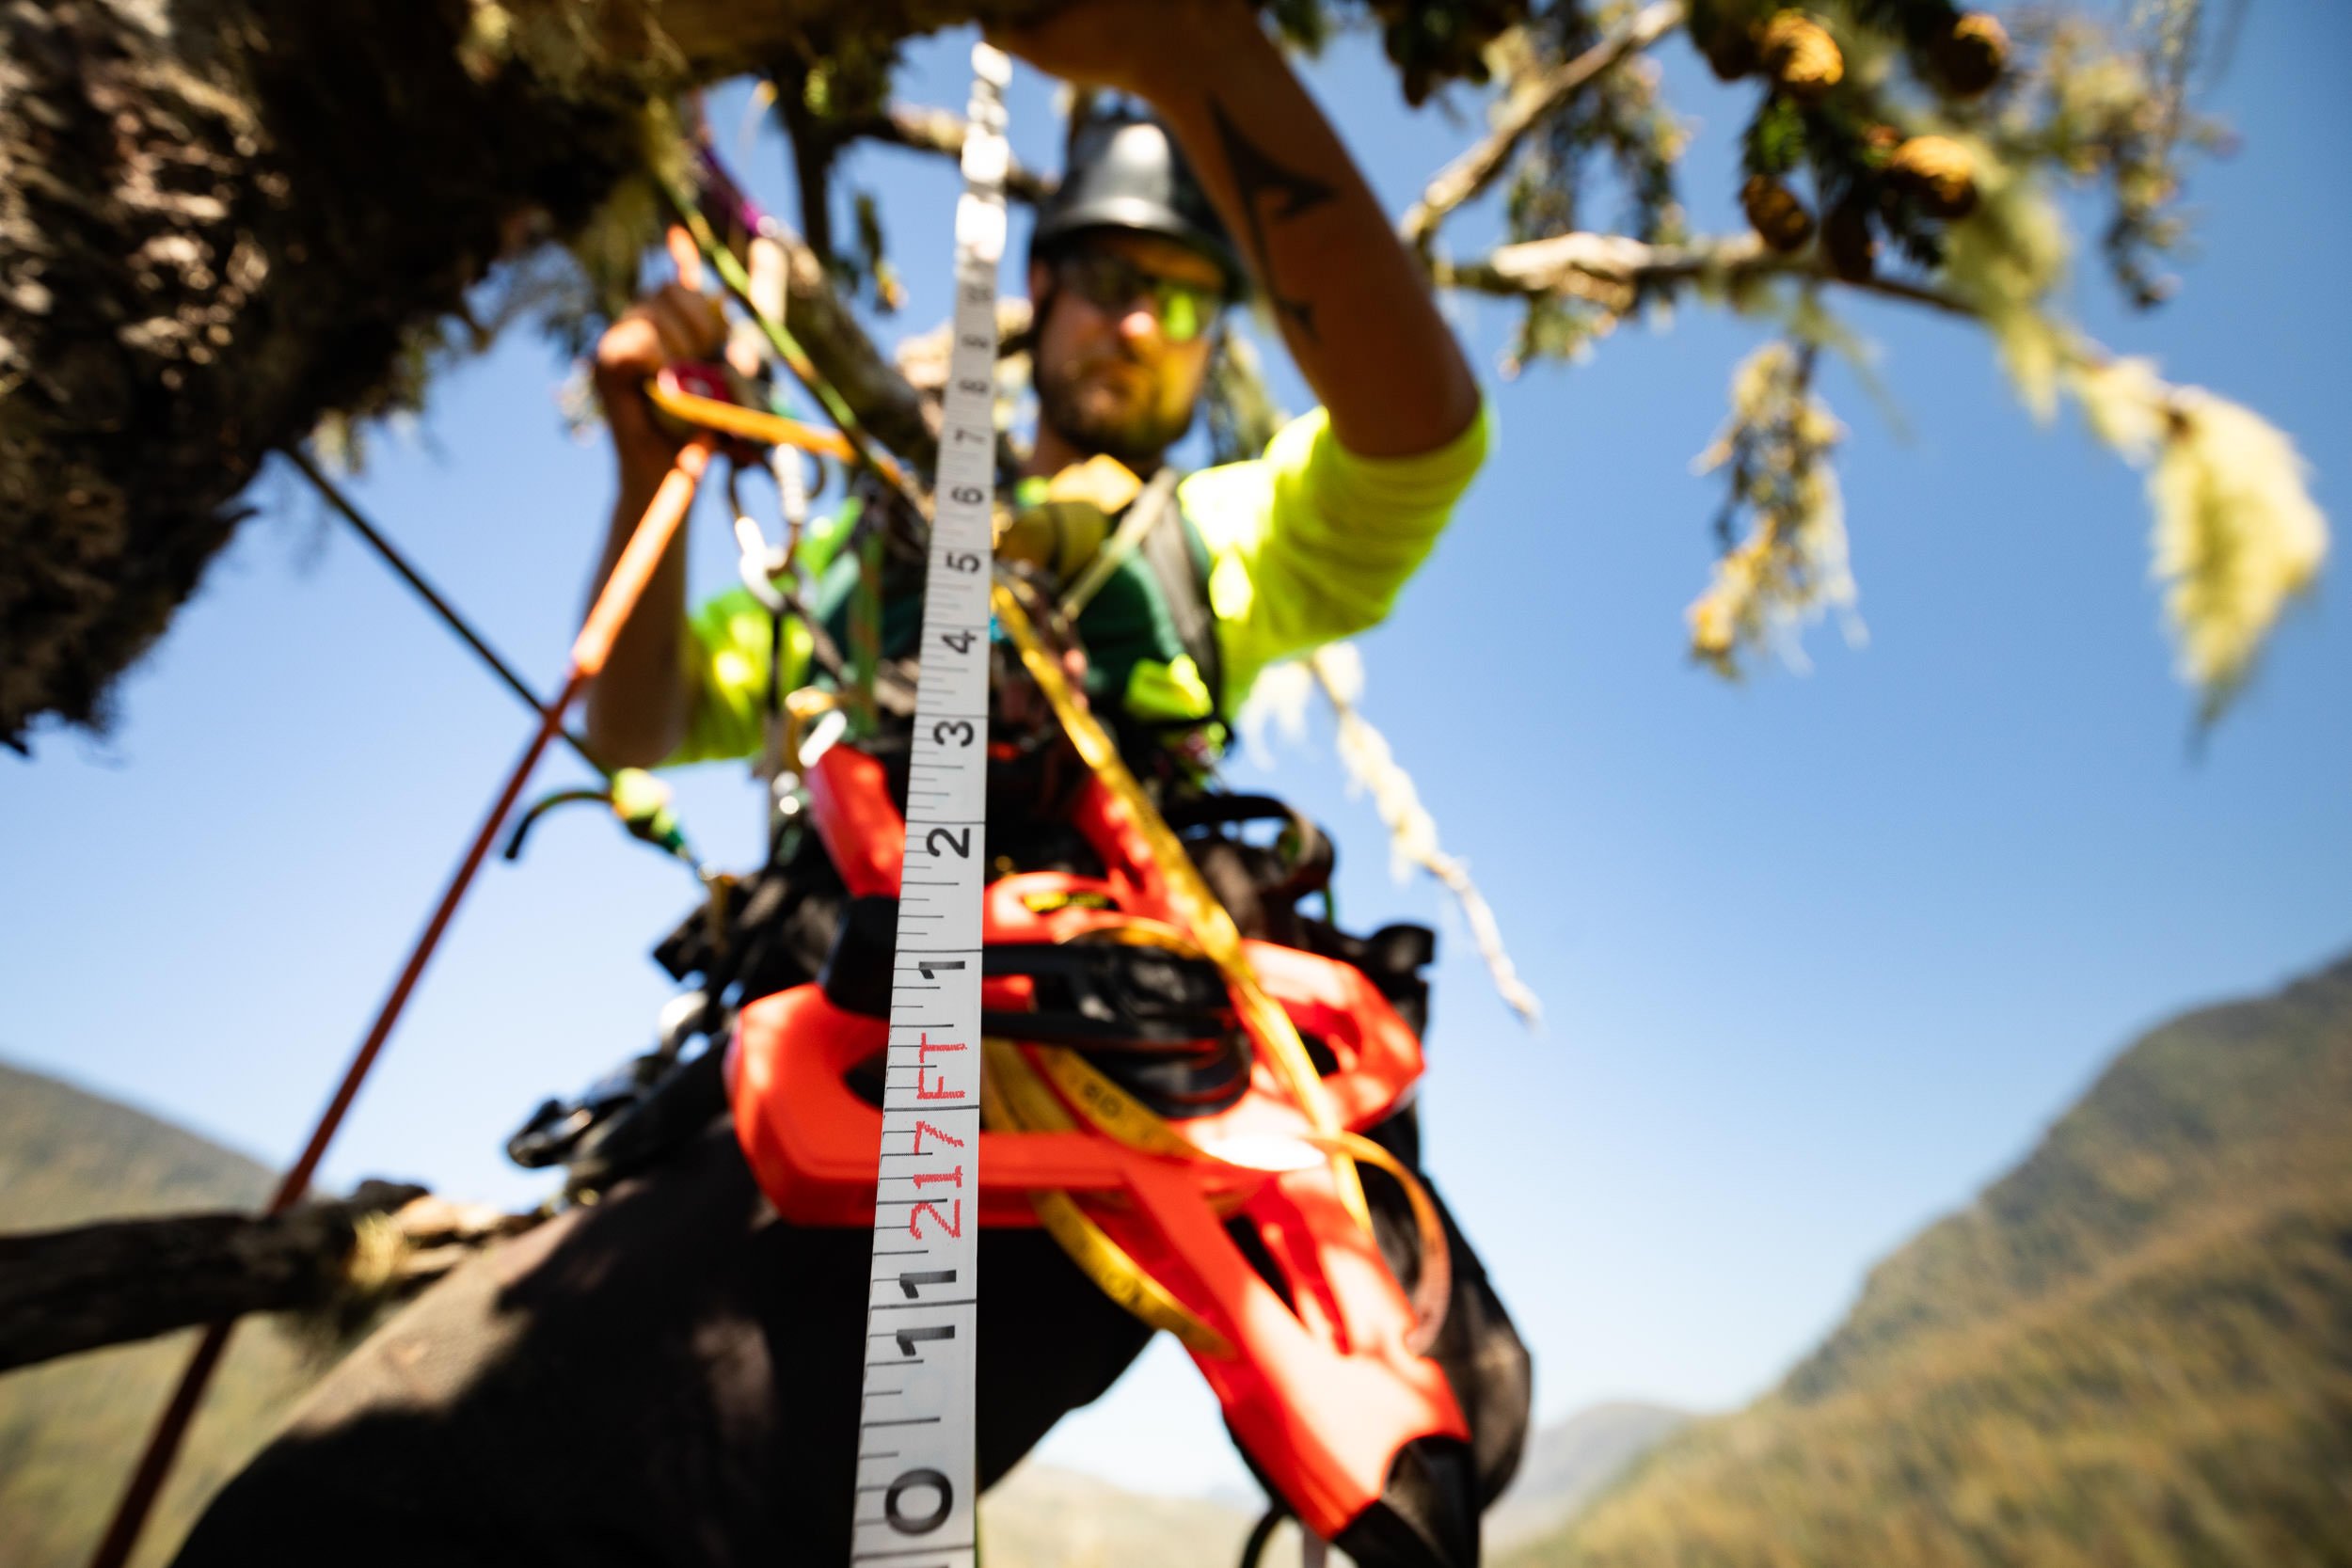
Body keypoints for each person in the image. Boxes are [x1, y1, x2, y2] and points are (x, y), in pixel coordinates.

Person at [171, 7, 1526, 1567]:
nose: (1139, 325)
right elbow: (641, 713)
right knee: (347, 1510)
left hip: (1062, 1123)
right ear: (1043, 293)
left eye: (1183, 296)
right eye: (1106, 282)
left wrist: (1198, 65)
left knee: (373, 1525)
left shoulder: (1216, 546)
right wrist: (641, 470)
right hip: (803, 1081)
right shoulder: (867, 548)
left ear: (1224, 333)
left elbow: (1417, 436)